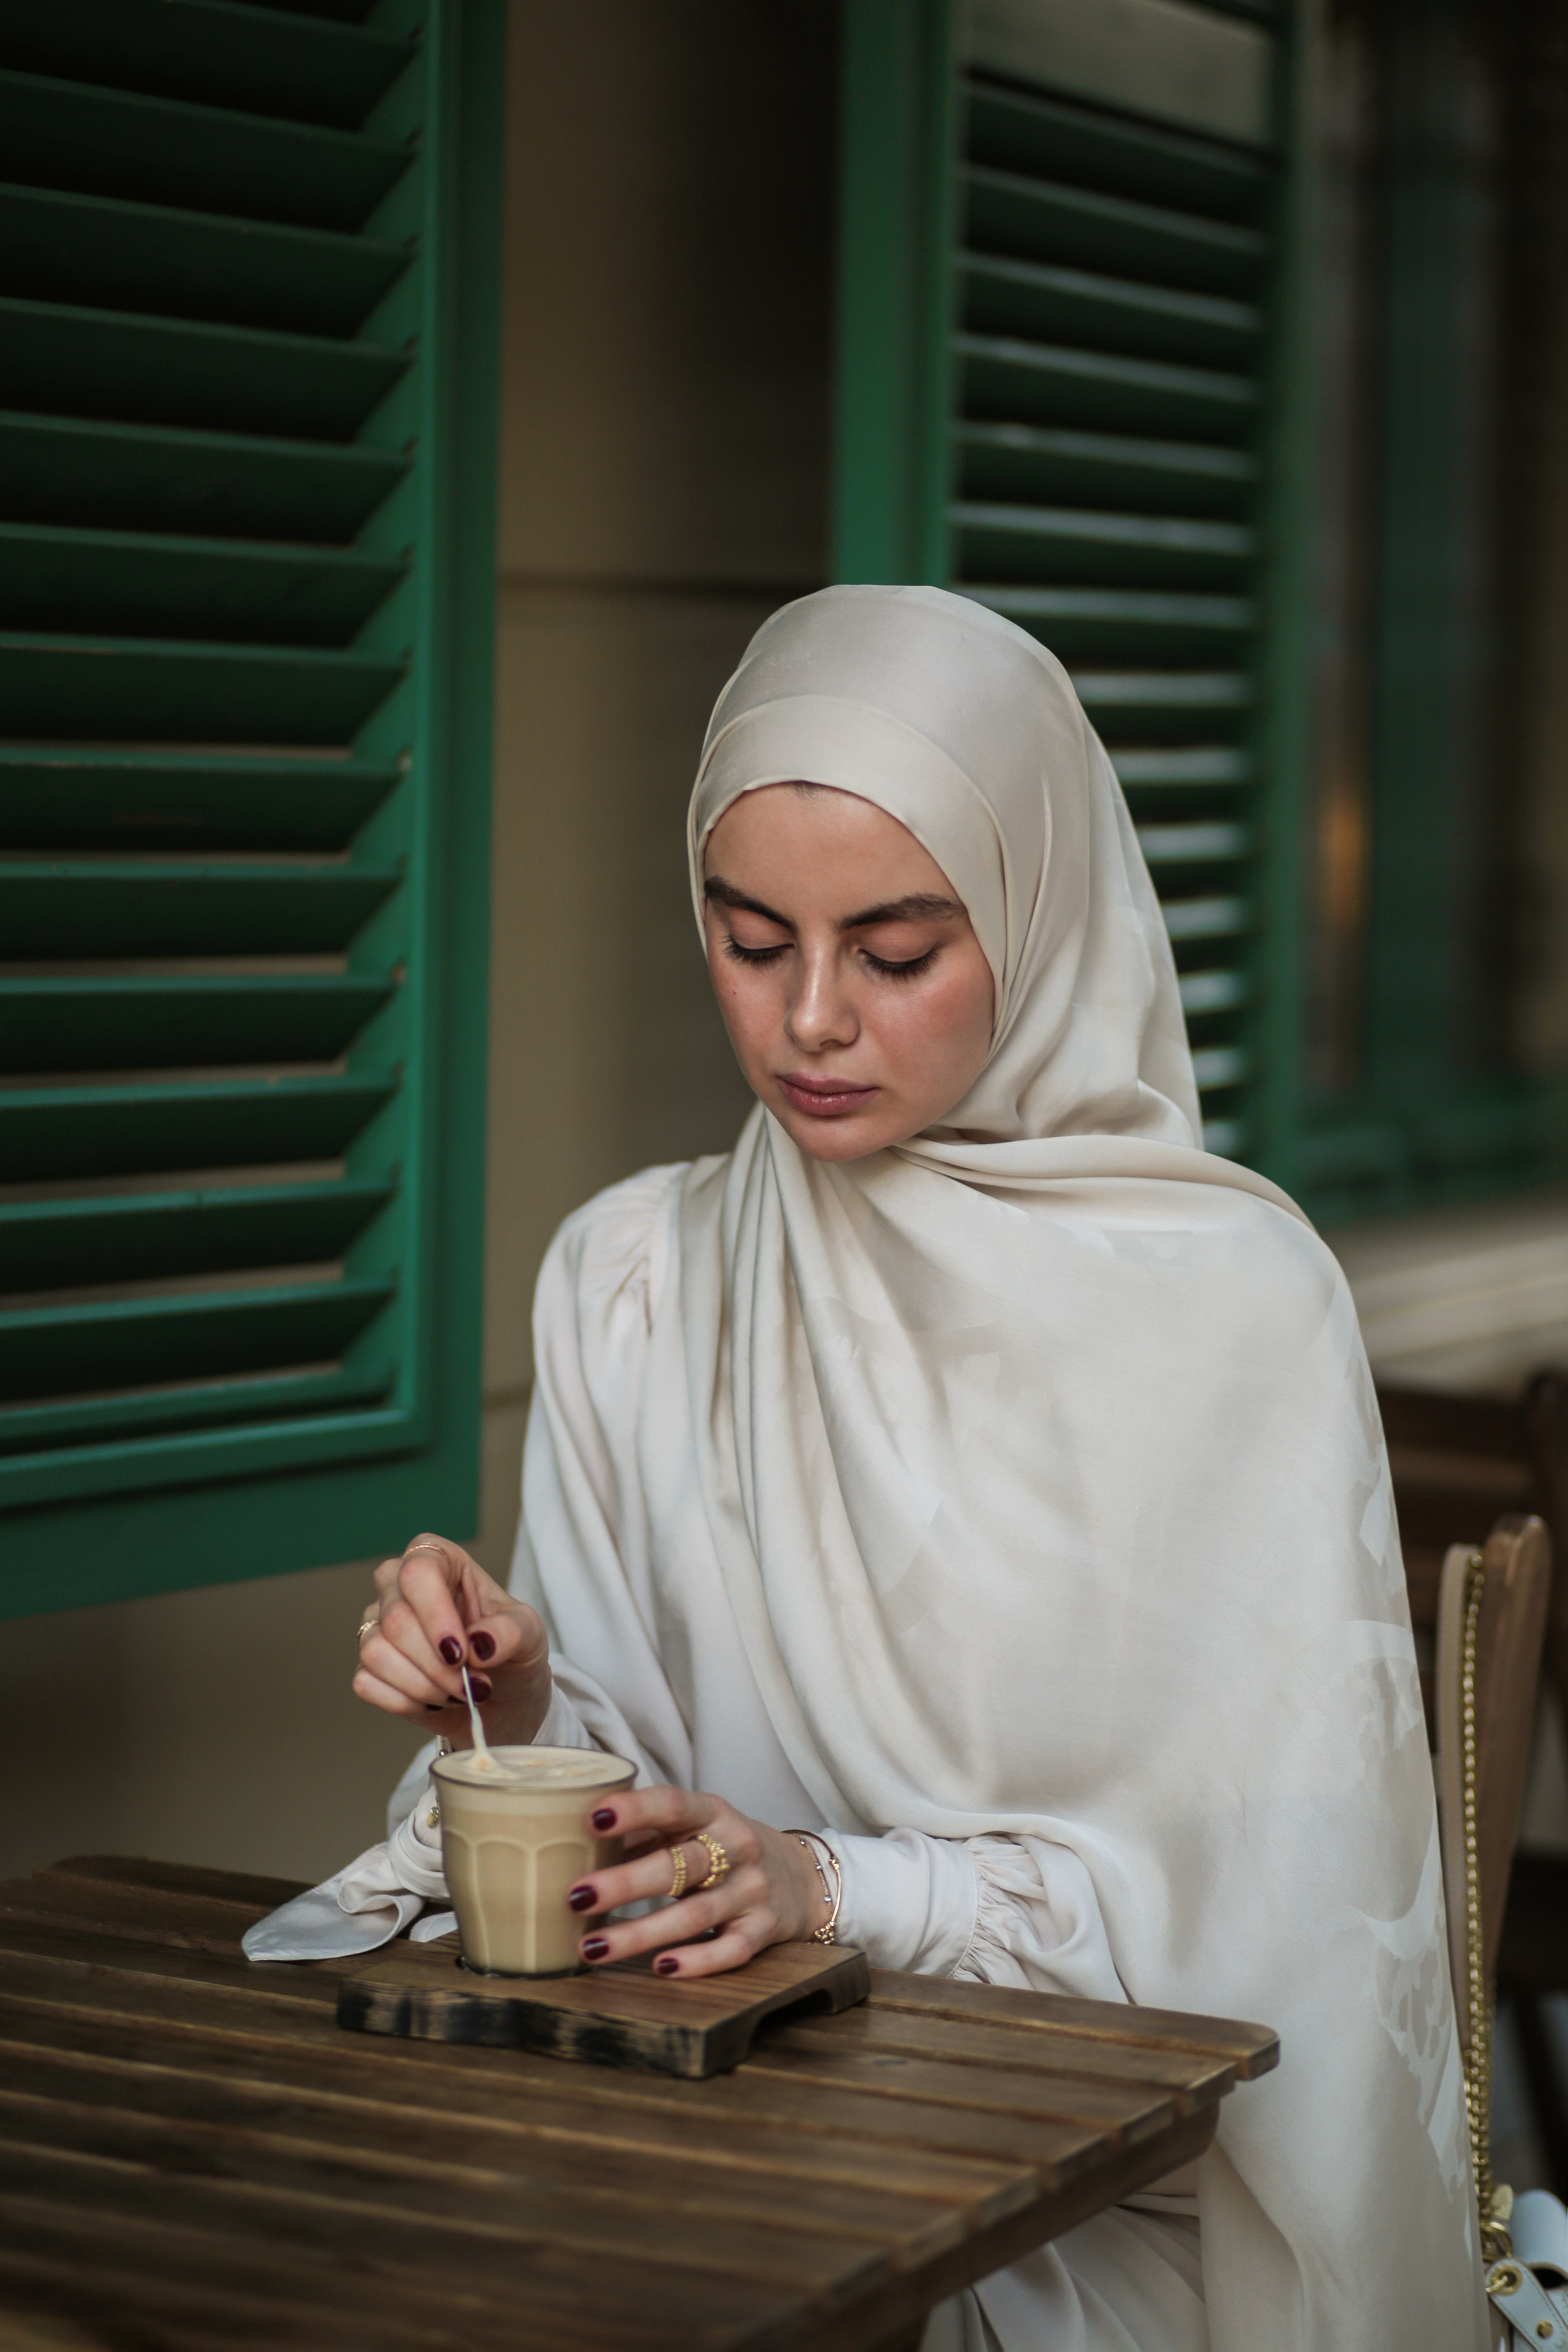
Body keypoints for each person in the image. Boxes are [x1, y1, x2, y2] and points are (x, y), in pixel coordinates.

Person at [352, 586, 1483, 2350]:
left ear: (1039, 923)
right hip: (713, 2165)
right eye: (747, 940)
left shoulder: (1231, 1313)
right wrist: (510, 1704)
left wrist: (834, 1887)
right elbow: (624, 1863)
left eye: (894, 956)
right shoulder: (637, 1278)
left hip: (1108, 2220)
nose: (810, 1020)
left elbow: (1279, 1957)